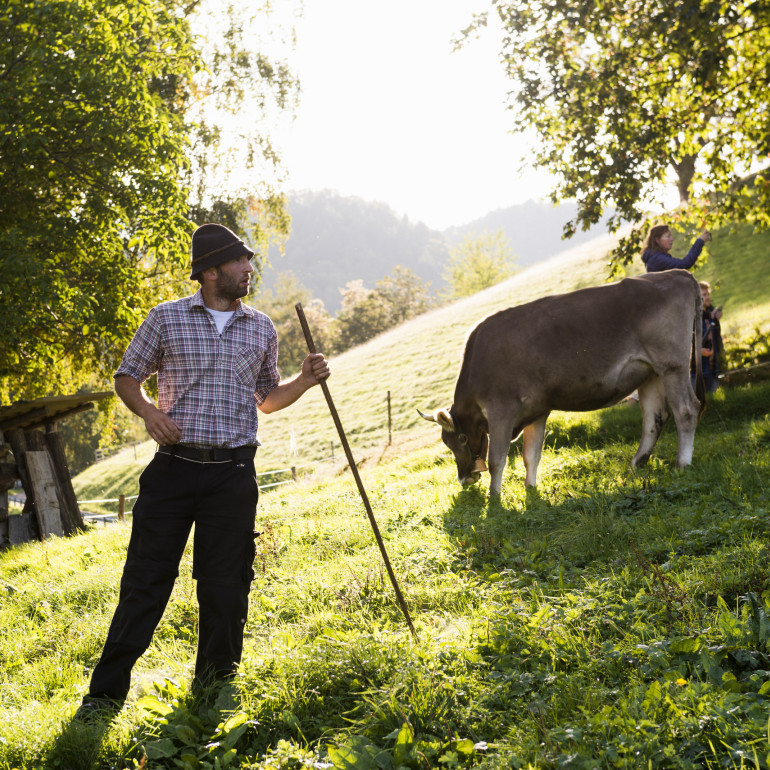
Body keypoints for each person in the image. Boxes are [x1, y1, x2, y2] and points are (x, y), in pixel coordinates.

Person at [76, 223, 330, 719]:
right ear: (210, 271)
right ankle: (102, 698)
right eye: (239, 262)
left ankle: (212, 693)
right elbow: (127, 375)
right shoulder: (166, 319)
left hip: (233, 476)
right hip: (172, 473)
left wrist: (304, 379)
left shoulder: (261, 328)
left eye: (249, 262)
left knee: (225, 587)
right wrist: (149, 411)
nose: (248, 269)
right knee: (145, 583)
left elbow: (268, 399)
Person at [641, 224, 712, 272]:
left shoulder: (655, 256)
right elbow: (684, 264)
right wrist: (700, 241)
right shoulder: (657, 258)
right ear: (657, 240)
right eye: (668, 236)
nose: (672, 239)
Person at [695, 280, 724, 392]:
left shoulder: (712, 312)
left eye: (708, 294)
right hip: (699, 368)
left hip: (714, 366)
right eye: (704, 295)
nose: (707, 297)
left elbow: (718, 339)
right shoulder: (693, 317)